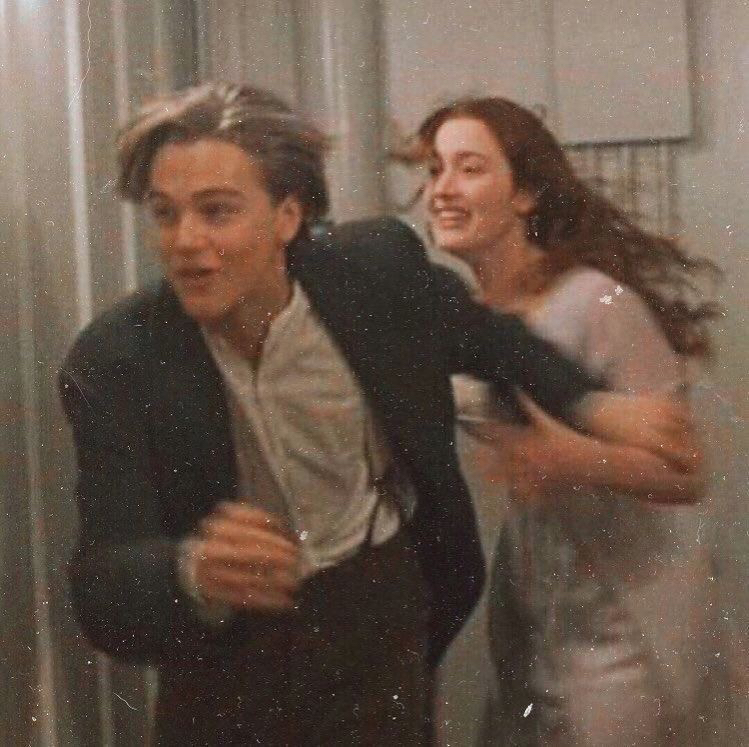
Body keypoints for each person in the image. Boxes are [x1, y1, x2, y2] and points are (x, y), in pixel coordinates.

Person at [59, 83, 692, 746]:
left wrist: (590, 404)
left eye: (217, 211)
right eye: (165, 214)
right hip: (227, 658)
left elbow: (486, 336)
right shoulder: (118, 360)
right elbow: (100, 580)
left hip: (375, 616)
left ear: (286, 216)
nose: (185, 240)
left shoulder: (371, 274)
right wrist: (191, 571)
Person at [408, 96, 723, 745]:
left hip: (628, 610)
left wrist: (572, 458)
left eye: (469, 168)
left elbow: (688, 472)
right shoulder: (466, 317)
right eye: (435, 170)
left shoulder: (595, 302)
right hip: (533, 598)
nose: (442, 189)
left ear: (525, 194)